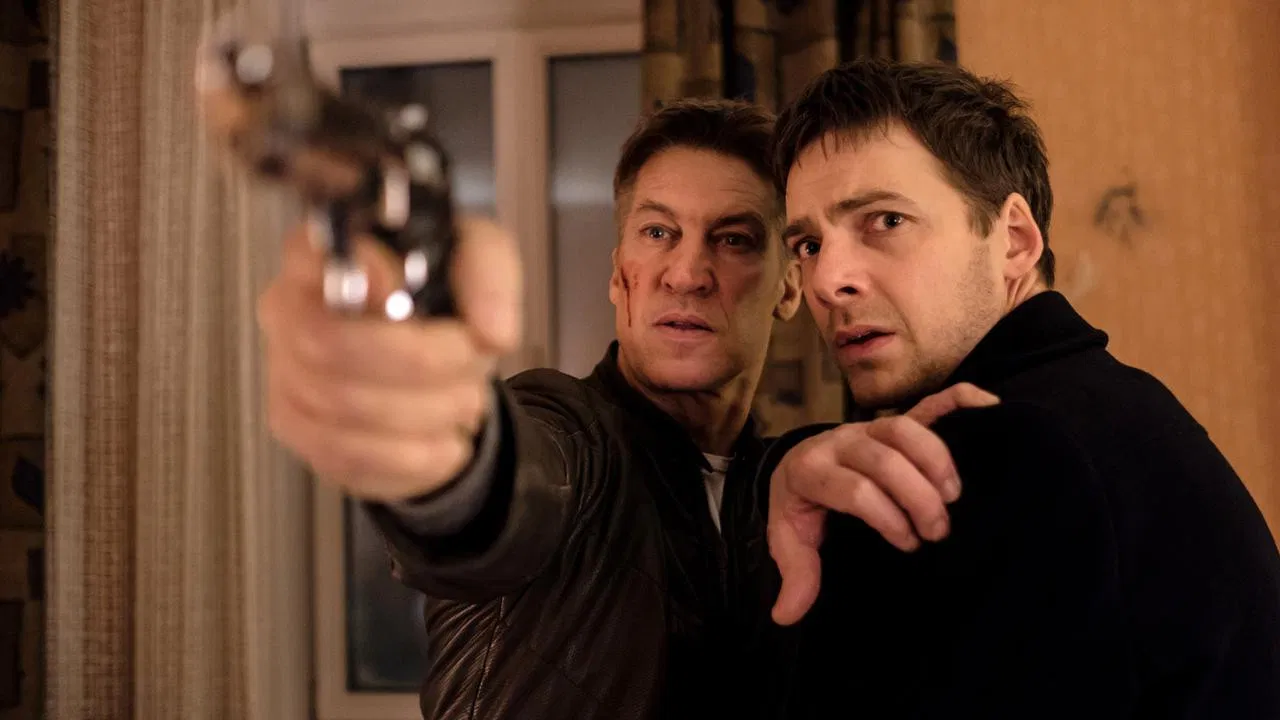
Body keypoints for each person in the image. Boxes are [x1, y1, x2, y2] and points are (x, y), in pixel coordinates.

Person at [258, 97, 994, 719]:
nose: (687, 272)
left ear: (790, 287)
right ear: (621, 276)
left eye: (733, 240)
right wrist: (440, 444)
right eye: (658, 233)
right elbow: (506, 488)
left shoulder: (788, 487)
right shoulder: (568, 427)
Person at [762, 58, 1280, 718]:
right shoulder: (1115, 405)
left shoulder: (1004, 445)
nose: (828, 280)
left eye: (885, 221)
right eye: (808, 244)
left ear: (1013, 240)